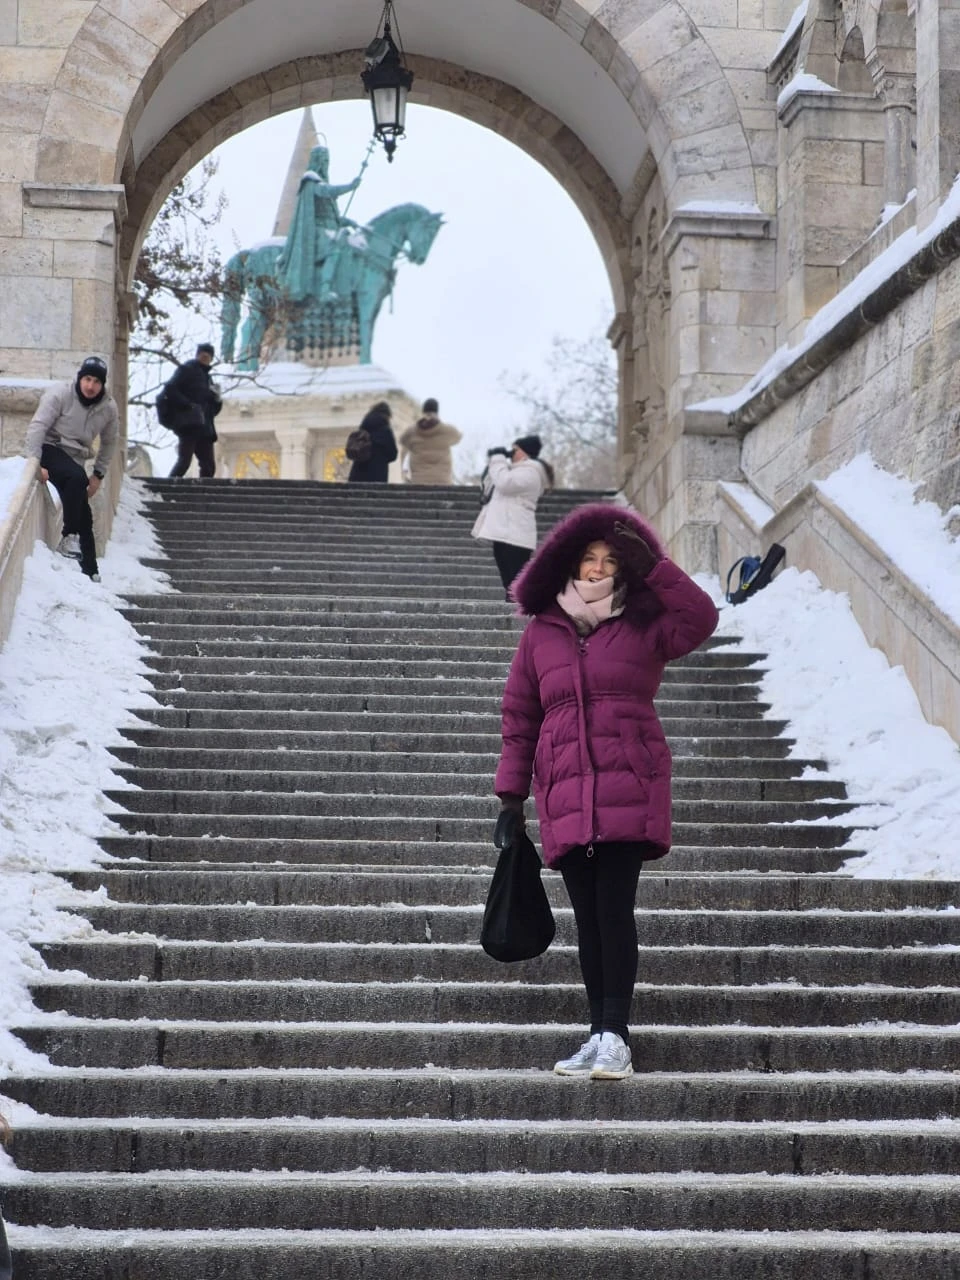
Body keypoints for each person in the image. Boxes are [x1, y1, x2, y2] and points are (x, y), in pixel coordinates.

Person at [493, 503, 719, 1080]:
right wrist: (510, 796)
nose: (597, 569)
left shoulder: (645, 620)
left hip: (629, 780)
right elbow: (521, 715)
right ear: (570, 564)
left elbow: (701, 618)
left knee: (614, 910)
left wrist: (659, 568)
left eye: (610, 561)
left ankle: (616, 1034)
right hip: (565, 788)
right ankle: (597, 1033)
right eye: (589, 559)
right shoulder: (541, 631)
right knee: (588, 918)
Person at [24, 354, 119, 582]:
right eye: (87, 379)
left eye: (96, 382)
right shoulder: (60, 394)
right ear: (80, 378)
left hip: (75, 460)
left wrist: (98, 474)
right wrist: (34, 463)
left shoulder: (108, 408)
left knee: (84, 514)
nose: (90, 386)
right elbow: (37, 427)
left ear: (102, 384)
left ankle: (91, 572)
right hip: (51, 448)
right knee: (77, 478)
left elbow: (110, 441)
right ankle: (68, 536)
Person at [277, 144, 362, 302]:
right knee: (336, 246)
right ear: (316, 161)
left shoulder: (322, 186)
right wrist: (350, 187)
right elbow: (326, 191)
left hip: (329, 229)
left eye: (327, 160)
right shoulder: (311, 183)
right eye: (322, 160)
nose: (325, 164)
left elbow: (333, 217)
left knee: (349, 244)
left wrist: (349, 222)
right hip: (317, 231)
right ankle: (325, 289)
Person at [471, 434, 553, 597]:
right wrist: (494, 462)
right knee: (508, 579)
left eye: (514, 450)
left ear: (524, 453)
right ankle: (514, 605)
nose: (511, 453)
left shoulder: (532, 471)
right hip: (504, 532)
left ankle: (520, 609)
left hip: (516, 534)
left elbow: (505, 484)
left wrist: (498, 460)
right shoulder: (514, 470)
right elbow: (490, 486)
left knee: (515, 577)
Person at [165, 343, 222, 479]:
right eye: (203, 355)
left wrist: (217, 399)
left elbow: (213, 410)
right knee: (184, 462)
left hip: (205, 427)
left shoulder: (208, 379)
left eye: (208, 356)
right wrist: (188, 405)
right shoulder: (187, 369)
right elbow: (170, 388)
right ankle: (167, 487)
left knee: (208, 465)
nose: (205, 358)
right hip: (190, 424)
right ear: (197, 355)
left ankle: (204, 494)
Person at [398, 398, 462, 485]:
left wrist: (403, 471)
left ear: (423, 411)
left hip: (418, 481)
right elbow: (458, 437)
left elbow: (402, 443)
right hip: (443, 481)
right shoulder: (447, 431)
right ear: (437, 412)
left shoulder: (411, 431)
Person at [348, 400, 398, 483]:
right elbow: (393, 454)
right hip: (378, 474)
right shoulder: (385, 430)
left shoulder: (363, 427)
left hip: (358, 473)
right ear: (387, 415)